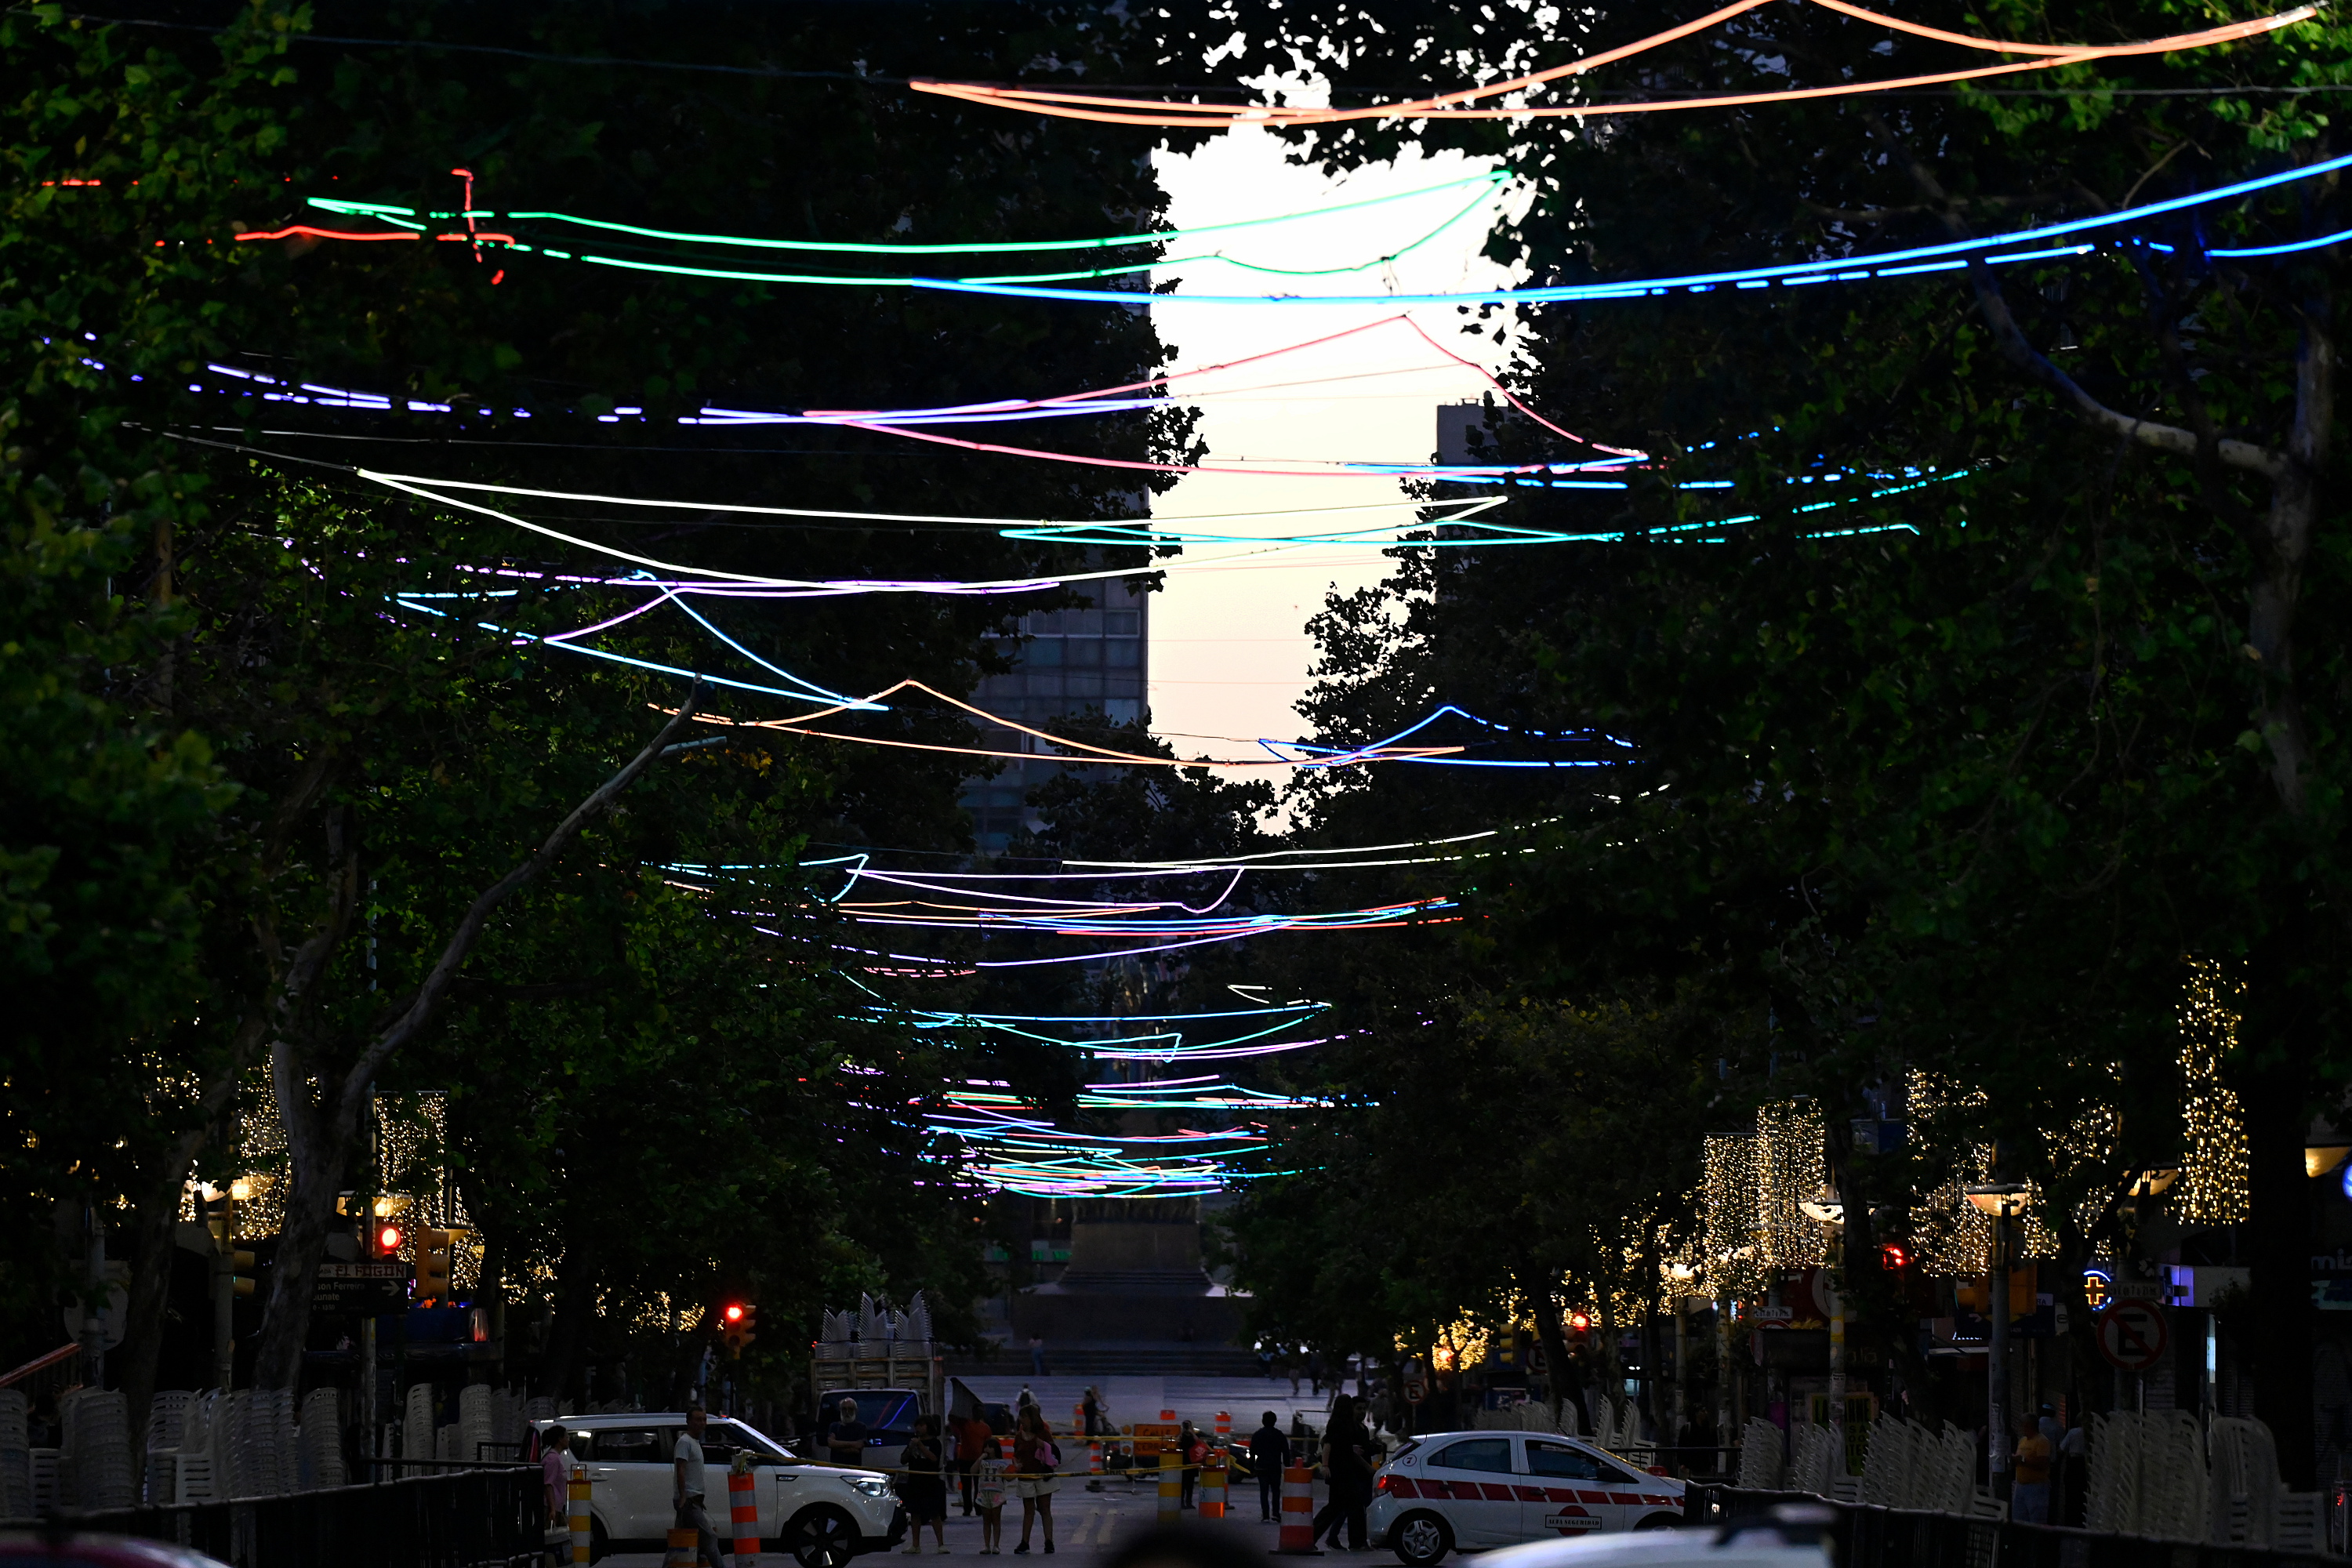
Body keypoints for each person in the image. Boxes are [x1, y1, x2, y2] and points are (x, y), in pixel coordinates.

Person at [1309, 1394, 1372, 1552]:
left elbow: (1339, 1447)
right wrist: (1325, 1465)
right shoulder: (1340, 1425)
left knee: (1339, 1507)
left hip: (1342, 1470)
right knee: (1348, 1506)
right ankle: (1357, 1542)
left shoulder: (1341, 1424)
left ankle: (1311, 1537)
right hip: (1342, 1472)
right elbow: (1330, 1445)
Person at [672, 1405, 728, 1568]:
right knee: (709, 1537)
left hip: (694, 1500)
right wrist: (683, 1496)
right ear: (688, 1422)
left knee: (681, 1544)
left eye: (704, 1420)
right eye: (697, 1419)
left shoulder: (694, 1443)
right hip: (689, 1500)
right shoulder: (684, 1442)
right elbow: (680, 1470)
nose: (701, 1423)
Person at [1011, 1405, 1059, 1554]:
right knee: (1029, 1511)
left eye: (1024, 1417)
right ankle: (1025, 1542)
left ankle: (1049, 1541)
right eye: (1020, 1417)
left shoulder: (1043, 1434)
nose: (1021, 1420)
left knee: (1045, 1509)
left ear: (1031, 1418)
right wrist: (1016, 1463)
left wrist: (1044, 1447)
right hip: (1026, 1477)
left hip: (1042, 1476)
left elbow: (1055, 1453)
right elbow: (1016, 1454)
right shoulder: (1019, 1436)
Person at [902, 1414, 950, 1554]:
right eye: (917, 1425)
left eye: (922, 1425)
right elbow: (903, 1459)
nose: (919, 1428)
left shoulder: (935, 1443)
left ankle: (941, 1544)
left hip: (930, 1483)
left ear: (928, 1427)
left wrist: (921, 1446)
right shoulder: (912, 1442)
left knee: (934, 1513)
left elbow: (934, 1459)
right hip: (915, 1482)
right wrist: (911, 1447)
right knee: (915, 1514)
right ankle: (915, 1545)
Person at [540, 1425, 576, 1566]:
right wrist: (553, 1509)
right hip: (551, 1507)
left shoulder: (554, 1458)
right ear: (560, 1439)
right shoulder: (553, 1460)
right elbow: (548, 1484)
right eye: (566, 1437)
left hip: (556, 1506)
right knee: (554, 1543)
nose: (568, 1440)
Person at [1247, 1410, 1291, 1523]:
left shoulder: (1258, 1435)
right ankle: (1276, 1513)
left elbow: (1252, 1453)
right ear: (1275, 1421)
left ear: (1263, 1421)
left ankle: (1265, 1514)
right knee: (1276, 1491)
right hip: (1275, 1466)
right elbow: (1286, 1452)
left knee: (1264, 1491)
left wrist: (1251, 1468)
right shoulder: (1279, 1435)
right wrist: (1287, 1465)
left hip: (1261, 1466)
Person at [2011, 1412, 2054, 1525]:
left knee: (2036, 1521)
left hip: (2036, 1487)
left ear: (2028, 1426)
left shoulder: (2041, 1441)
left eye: (2023, 1425)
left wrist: (2024, 1460)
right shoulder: (2022, 1441)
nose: (2021, 1428)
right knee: (2019, 1520)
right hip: (2021, 1486)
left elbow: (2043, 1463)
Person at [954, 1407, 996, 1515]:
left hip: (979, 1460)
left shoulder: (985, 1428)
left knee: (979, 1486)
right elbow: (953, 1419)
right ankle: (967, 1508)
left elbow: (989, 1444)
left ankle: (978, 1508)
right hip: (964, 1459)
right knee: (966, 1486)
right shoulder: (965, 1423)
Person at [975, 1436, 1011, 1555]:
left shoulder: (1002, 1463)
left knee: (996, 1519)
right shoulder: (982, 1462)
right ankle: (986, 1545)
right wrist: (980, 1459)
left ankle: (996, 1545)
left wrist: (1016, 1470)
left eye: (990, 1447)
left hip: (996, 1492)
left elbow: (1008, 1477)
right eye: (986, 1446)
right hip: (984, 1492)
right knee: (986, 1520)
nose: (987, 1449)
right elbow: (972, 1471)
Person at [826, 1397, 869, 1467]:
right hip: (836, 1468)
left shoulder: (861, 1427)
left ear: (855, 1411)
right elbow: (831, 1444)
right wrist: (853, 1445)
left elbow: (859, 1446)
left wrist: (837, 1446)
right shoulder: (834, 1426)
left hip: (854, 1469)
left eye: (850, 1409)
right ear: (840, 1410)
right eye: (844, 1409)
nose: (847, 1412)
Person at [1178, 1421, 1205, 1509]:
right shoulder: (1181, 1436)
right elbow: (1177, 1441)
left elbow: (1198, 1442)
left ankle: (1189, 1502)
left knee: (1190, 1484)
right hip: (1183, 1461)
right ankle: (1181, 1502)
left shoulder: (1193, 1436)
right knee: (1183, 1484)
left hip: (1192, 1461)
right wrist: (1182, 1432)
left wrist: (1192, 1432)